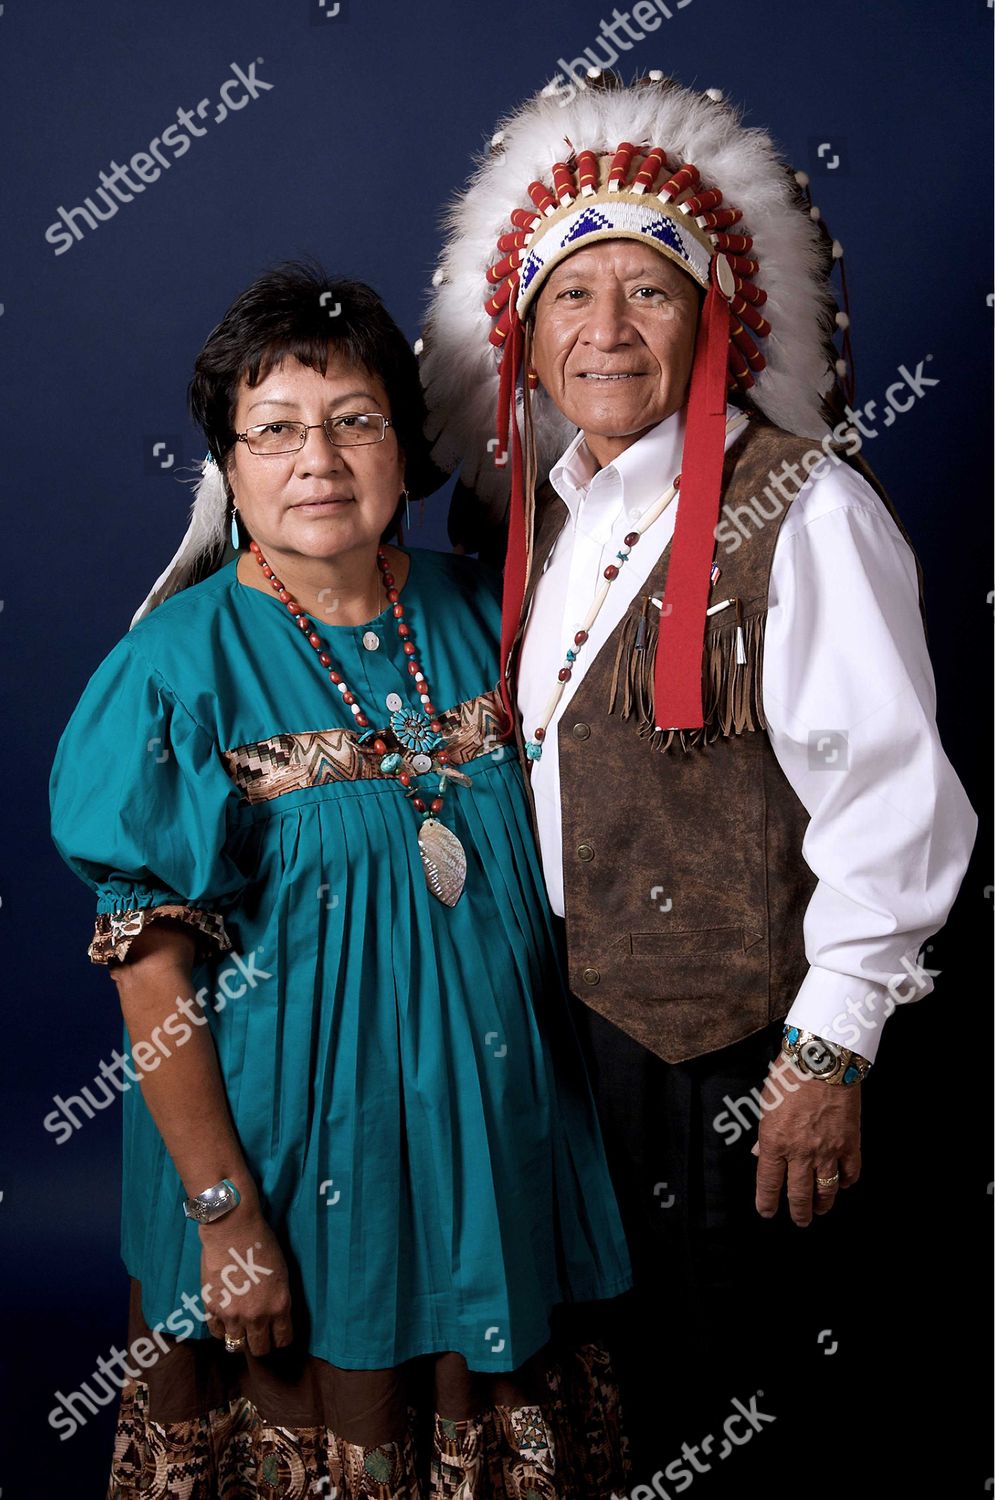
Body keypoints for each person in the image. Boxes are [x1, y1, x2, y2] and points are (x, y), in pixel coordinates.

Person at [419, 72, 977, 1472]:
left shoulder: (804, 503)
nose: (606, 330)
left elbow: (891, 798)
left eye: (649, 294)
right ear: (525, 338)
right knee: (615, 1385)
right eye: (571, 296)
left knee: (741, 1384)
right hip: (568, 1041)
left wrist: (825, 1050)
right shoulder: (539, 523)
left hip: (729, 1046)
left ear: (713, 315)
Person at [48, 261, 635, 1498]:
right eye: (273, 430)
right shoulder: (172, 669)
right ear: (228, 463)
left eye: (352, 420)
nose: (315, 458)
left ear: (402, 446)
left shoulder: (500, 612)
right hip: (301, 1180)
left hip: (495, 1158)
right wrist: (224, 1217)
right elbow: (149, 968)